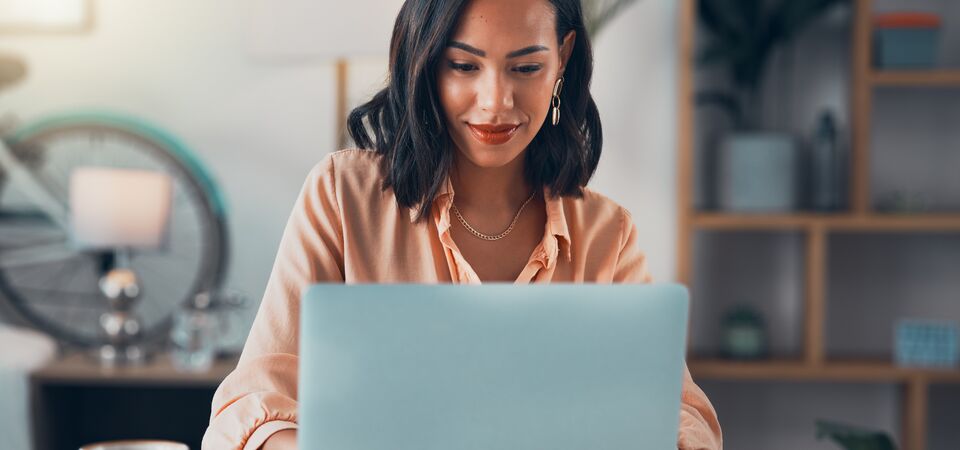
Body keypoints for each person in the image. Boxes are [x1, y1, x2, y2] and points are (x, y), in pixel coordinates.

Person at [202, 0, 722, 448]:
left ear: (562, 58)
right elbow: (249, 404)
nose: (496, 102)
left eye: (526, 68)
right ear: (425, 62)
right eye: (463, 66)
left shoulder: (606, 232)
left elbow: (682, 413)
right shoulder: (341, 196)